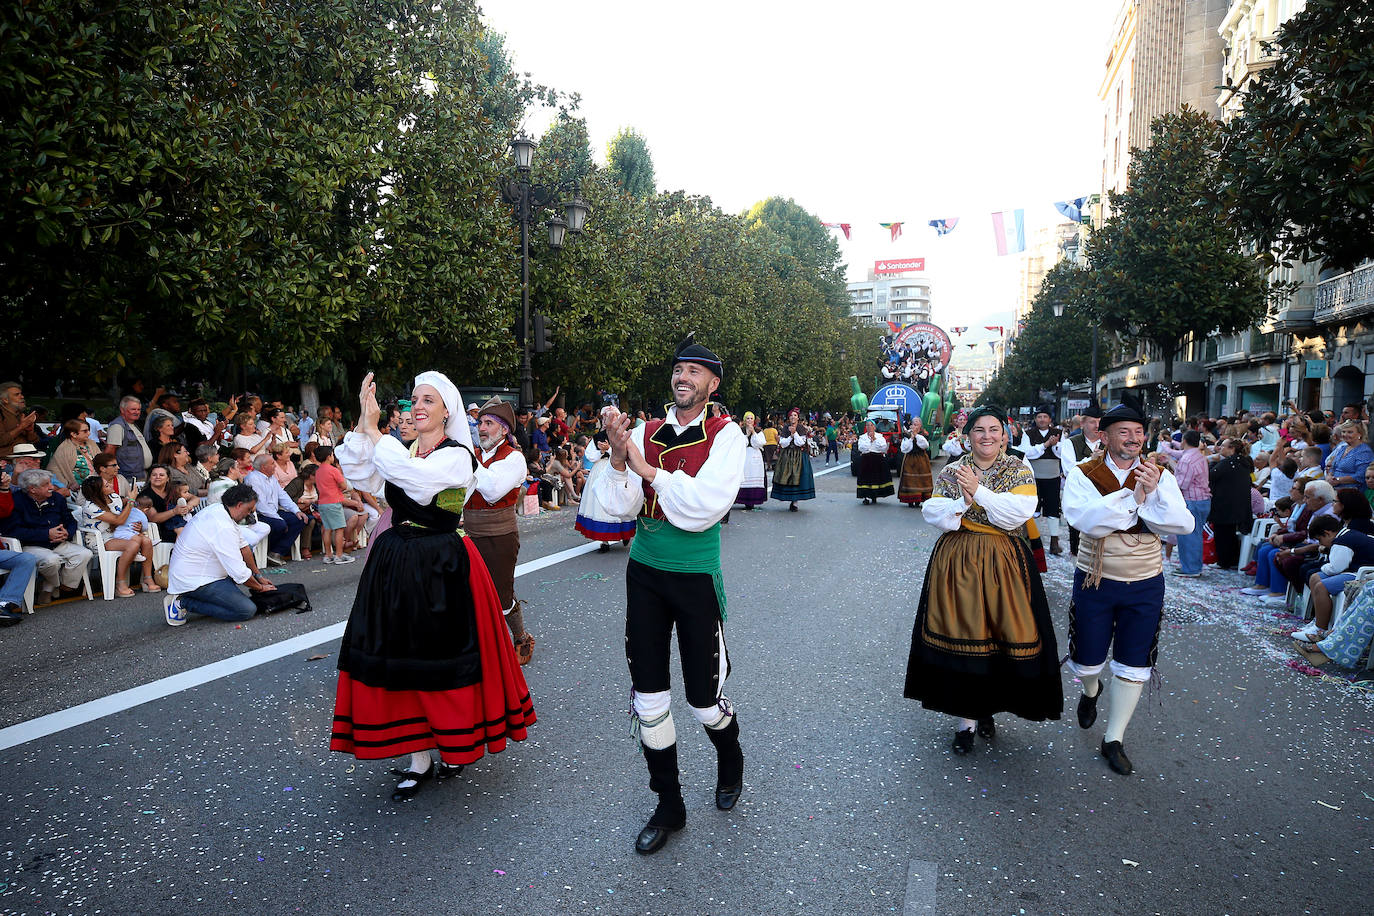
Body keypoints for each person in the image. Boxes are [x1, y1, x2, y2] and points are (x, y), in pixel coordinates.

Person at [330, 371, 535, 802]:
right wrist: (364, 427)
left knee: (440, 660)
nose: (418, 406)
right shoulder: (401, 450)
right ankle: (419, 757)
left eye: (429, 399)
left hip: (440, 565)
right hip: (395, 562)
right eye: (414, 399)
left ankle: (455, 744)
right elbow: (364, 477)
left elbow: (419, 486)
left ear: (448, 411)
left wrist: (373, 432)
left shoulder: (458, 456)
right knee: (400, 658)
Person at [590, 337, 746, 856]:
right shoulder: (644, 432)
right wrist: (618, 457)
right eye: (679, 370)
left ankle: (730, 756)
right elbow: (618, 509)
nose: (684, 378)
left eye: (695, 372)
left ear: (712, 384)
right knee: (650, 696)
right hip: (646, 574)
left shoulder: (727, 436)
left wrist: (648, 469)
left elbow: (707, 506)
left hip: (695, 575)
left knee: (703, 700)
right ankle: (669, 804)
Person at [903, 405, 1062, 755]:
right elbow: (933, 511)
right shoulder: (952, 469)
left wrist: (981, 493)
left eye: (993, 430)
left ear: (1004, 435)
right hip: (957, 564)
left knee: (1000, 637)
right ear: (968, 435)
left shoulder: (1018, 469)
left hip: (1004, 564)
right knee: (964, 638)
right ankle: (967, 720)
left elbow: (1018, 513)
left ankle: (987, 708)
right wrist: (962, 501)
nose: (986, 436)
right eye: (979, 430)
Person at [1062, 400, 1194, 776]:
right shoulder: (1083, 474)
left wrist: (1148, 497)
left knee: (1134, 663)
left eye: (1138, 432)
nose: (1134, 439)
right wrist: (1134, 498)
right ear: (1103, 437)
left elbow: (1181, 524)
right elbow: (1086, 521)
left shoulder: (1158, 474)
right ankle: (1091, 691)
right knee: (1087, 660)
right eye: (1124, 432)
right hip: (1096, 578)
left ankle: (1113, 738)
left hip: (1145, 581)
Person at [464, 398, 535, 664]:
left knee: (501, 594)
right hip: (469, 534)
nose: (482, 428)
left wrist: (466, 459)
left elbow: (492, 491)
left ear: (504, 430)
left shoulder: (514, 458)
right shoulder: (474, 454)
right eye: (480, 422)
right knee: (469, 591)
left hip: (499, 536)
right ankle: (479, 645)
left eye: (489, 423)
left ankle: (520, 636)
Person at [164, 483, 278, 626]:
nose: (249, 514)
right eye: (248, 509)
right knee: (246, 610)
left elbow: (244, 548)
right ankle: (182, 602)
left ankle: (200, 598)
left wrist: (258, 576)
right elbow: (239, 573)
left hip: (205, 574)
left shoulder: (220, 510)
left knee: (242, 594)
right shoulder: (222, 526)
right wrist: (260, 588)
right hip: (194, 580)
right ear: (239, 505)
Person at [4, 468, 93, 607]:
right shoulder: (17, 501)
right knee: (52, 561)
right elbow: (13, 531)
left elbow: (71, 521)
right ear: (32, 489)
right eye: (46, 484)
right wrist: (46, 534)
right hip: (31, 545)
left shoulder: (57, 498)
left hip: (59, 542)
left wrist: (67, 533)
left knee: (84, 554)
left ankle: (63, 586)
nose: (52, 487)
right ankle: (51, 586)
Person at [1292, 506, 1374, 644]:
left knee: (1321, 586)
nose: (1320, 544)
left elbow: (1336, 568)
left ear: (1328, 533)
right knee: (1315, 577)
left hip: (1363, 574)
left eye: (1320, 540)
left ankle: (1320, 629)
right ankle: (1318, 620)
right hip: (1356, 570)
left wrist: (1324, 566)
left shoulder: (1342, 541)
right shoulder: (1345, 534)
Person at [79, 476, 157, 596]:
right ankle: (120, 582)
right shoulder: (91, 507)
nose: (111, 485)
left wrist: (138, 526)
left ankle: (147, 578)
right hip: (100, 539)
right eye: (106, 485)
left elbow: (128, 514)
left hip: (118, 533)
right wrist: (131, 500)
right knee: (133, 545)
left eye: (108, 483)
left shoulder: (114, 497)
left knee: (146, 541)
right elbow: (119, 520)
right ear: (98, 492)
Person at [1019, 407, 1064, 554]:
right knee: (1034, 507)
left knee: (1053, 508)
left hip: (1053, 476)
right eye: (1039, 417)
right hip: (1034, 476)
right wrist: (1045, 445)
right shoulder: (1028, 434)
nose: (1042, 419)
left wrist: (1055, 444)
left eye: (1045, 416)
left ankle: (1054, 541)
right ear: (1035, 419)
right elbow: (1027, 453)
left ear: (1050, 419)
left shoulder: (1059, 434)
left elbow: (1062, 453)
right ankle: (1035, 540)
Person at [246, 453, 307, 564]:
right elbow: (260, 505)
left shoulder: (272, 478)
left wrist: (296, 510)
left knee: (300, 519)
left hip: (274, 512)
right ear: (264, 467)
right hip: (260, 514)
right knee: (280, 525)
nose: (275, 466)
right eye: (272, 463)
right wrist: (278, 518)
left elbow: (282, 496)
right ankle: (271, 551)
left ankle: (276, 553)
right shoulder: (253, 478)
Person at [1208, 438, 1253, 571]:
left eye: (1223, 446)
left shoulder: (1229, 463)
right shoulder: (1243, 462)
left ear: (1231, 448)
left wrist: (1211, 462)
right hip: (1237, 503)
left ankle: (1224, 561)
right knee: (1230, 534)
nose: (1220, 448)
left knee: (1223, 534)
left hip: (1225, 504)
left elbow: (1211, 476)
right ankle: (1231, 560)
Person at [1170, 430, 1211, 577]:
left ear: (1184, 441)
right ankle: (1193, 566)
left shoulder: (1187, 459)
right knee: (1195, 534)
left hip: (1192, 500)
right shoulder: (1199, 456)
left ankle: (1191, 568)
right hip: (1202, 499)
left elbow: (1182, 483)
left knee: (1189, 535)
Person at [313, 446, 353, 565]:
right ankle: (339, 555)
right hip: (334, 501)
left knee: (327, 529)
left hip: (323, 502)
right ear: (329, 456)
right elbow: (344, 485)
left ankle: (328, 554)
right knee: (339, 529)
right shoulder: (333, 470)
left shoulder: (318, 471)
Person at [770, 408, 815, 511]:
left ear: (798, 418)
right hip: (787, 455)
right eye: (791, 416)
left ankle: (795, 502)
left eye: (795, 415)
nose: (793, 417)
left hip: (799, 455)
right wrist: (790, 436)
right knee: (787, 477)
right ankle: (788, 498)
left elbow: (801, 443)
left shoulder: (802, 428)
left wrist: (795, 433)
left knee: (798, 478)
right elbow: (783, 443)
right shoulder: (785, 428)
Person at [105, 396, 153, 483]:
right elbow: (110, 450)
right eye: (133, 409)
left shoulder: (133, 424)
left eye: (138, 409)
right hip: (128, 477)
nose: (137, 412)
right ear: (122, 410)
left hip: (140, 474)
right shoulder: (117, 426)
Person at [896, 417, 933, 507]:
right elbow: (904, 448)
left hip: (922, 459)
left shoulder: (924, 434)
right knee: (910, 480)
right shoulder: (907, 434)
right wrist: (911, 438)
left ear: (920, 425)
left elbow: (925, 445)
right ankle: (910, 500)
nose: (915, 425)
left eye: (917, 423)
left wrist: (916, 435)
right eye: (914, 423)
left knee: (922, 480)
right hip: (910, 459)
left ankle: (919, 499)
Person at [734, 412, 768, 509]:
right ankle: (741, 499)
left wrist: (753, 433)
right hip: (744, 456)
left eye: (751, 418)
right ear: (744, 420)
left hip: (755, 456)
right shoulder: (741, 431)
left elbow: (759, 443)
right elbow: (740, 443)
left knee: (754, 475)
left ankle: (752, 501)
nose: (749, 420)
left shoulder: (758, 431)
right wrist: (747, 434)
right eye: (747, 418)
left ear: (754, 421)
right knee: (743, 475)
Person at [855, 420, 893, 504]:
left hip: (877, 460)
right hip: (866, 460)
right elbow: (861, 448)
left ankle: (874, 496)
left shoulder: (879, 436)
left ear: (874, 427)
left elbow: (883, 447)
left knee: (876, 478)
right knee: (866, 479)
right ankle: (865, 496)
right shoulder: (863, 437)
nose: (869, 427)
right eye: (867, 425)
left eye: (871, 425)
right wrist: (870, 442)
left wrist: (874, 440)